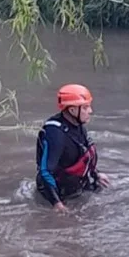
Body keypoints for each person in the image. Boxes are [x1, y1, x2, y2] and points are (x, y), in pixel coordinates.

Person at [35, 83, 111, 212]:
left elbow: (83, 154)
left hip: (78, 185)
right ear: (72, 110)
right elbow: (46, 171)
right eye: (86, 107)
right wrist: (57, 203)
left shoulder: (78, 125)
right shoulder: (55, 134)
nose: (90, 111)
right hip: (58, 194)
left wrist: (96, 174)